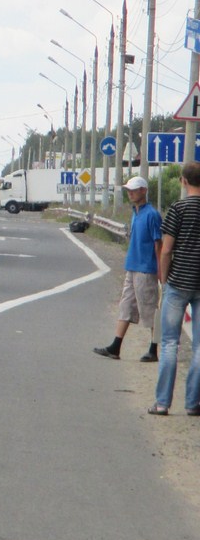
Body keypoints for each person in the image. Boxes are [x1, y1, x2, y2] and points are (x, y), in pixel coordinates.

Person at [94, 175, 161, 361]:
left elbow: (158, 244)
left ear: (143, 191)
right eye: (129, 190)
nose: (130, 193)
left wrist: (160, 271)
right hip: (132, 266)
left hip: (146, 269)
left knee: (149, 310)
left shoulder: (152, 215)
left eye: (134, 190)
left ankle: (154, 349)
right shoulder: (135, 212)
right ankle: (115, 346)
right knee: (126, 306)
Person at [151, 161, 200, 415]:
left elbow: (166, 249)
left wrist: (164, 279)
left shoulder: (178, 209)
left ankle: (162, 403)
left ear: (183, 181)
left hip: (178, 282)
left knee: (170, 343)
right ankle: (193, 403)